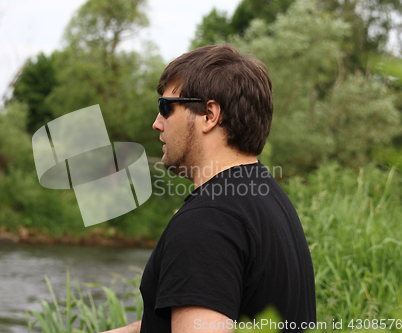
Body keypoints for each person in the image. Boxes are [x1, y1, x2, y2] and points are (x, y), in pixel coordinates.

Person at [103, 44, 316, 333]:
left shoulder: (208, 222)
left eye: (166, 107)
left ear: (209, 115)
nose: (157, 123)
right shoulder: (268, 197)